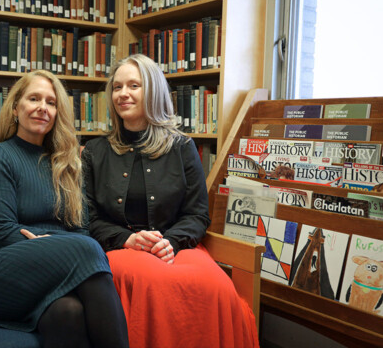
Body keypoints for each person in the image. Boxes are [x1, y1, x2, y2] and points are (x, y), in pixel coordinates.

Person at [82, 54, 260, 348]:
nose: (123, 94)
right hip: (118, 247)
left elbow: (197, 214)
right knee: (149, 281)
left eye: (134, 86)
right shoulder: (94, 152)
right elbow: (87, 218)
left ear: (152, 91)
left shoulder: (182, 147)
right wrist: (127, 239)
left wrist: (171, 242)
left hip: (177, 245)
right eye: (117, 87)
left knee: (216, 286)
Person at [0, 70, 129, 348]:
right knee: (87, 250)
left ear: (57, 113)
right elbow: (2, 232)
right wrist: (57, 246)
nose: (42, 108)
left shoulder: (68, 164)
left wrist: (48, 244)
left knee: (67, 312)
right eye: (34, 99)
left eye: (51, 102)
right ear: (16, 108)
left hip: (48, 274)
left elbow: (82, 229)